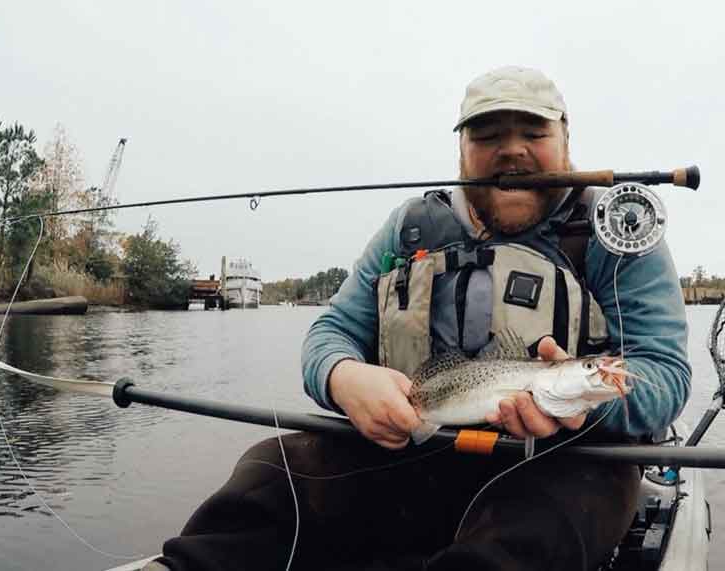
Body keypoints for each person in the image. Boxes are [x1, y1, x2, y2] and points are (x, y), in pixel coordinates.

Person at [147, 66, 690, 571]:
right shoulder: (410, 229)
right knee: (270, 472)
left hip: (561, 465)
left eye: (533, 132)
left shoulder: (614, 230)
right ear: (460, 150)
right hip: (416, 445)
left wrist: (582, 410)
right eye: (487, 136)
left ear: (566, 140)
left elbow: (665, 376)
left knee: (526, 537)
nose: (512, 152)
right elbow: (330, 334)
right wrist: (343, 377)